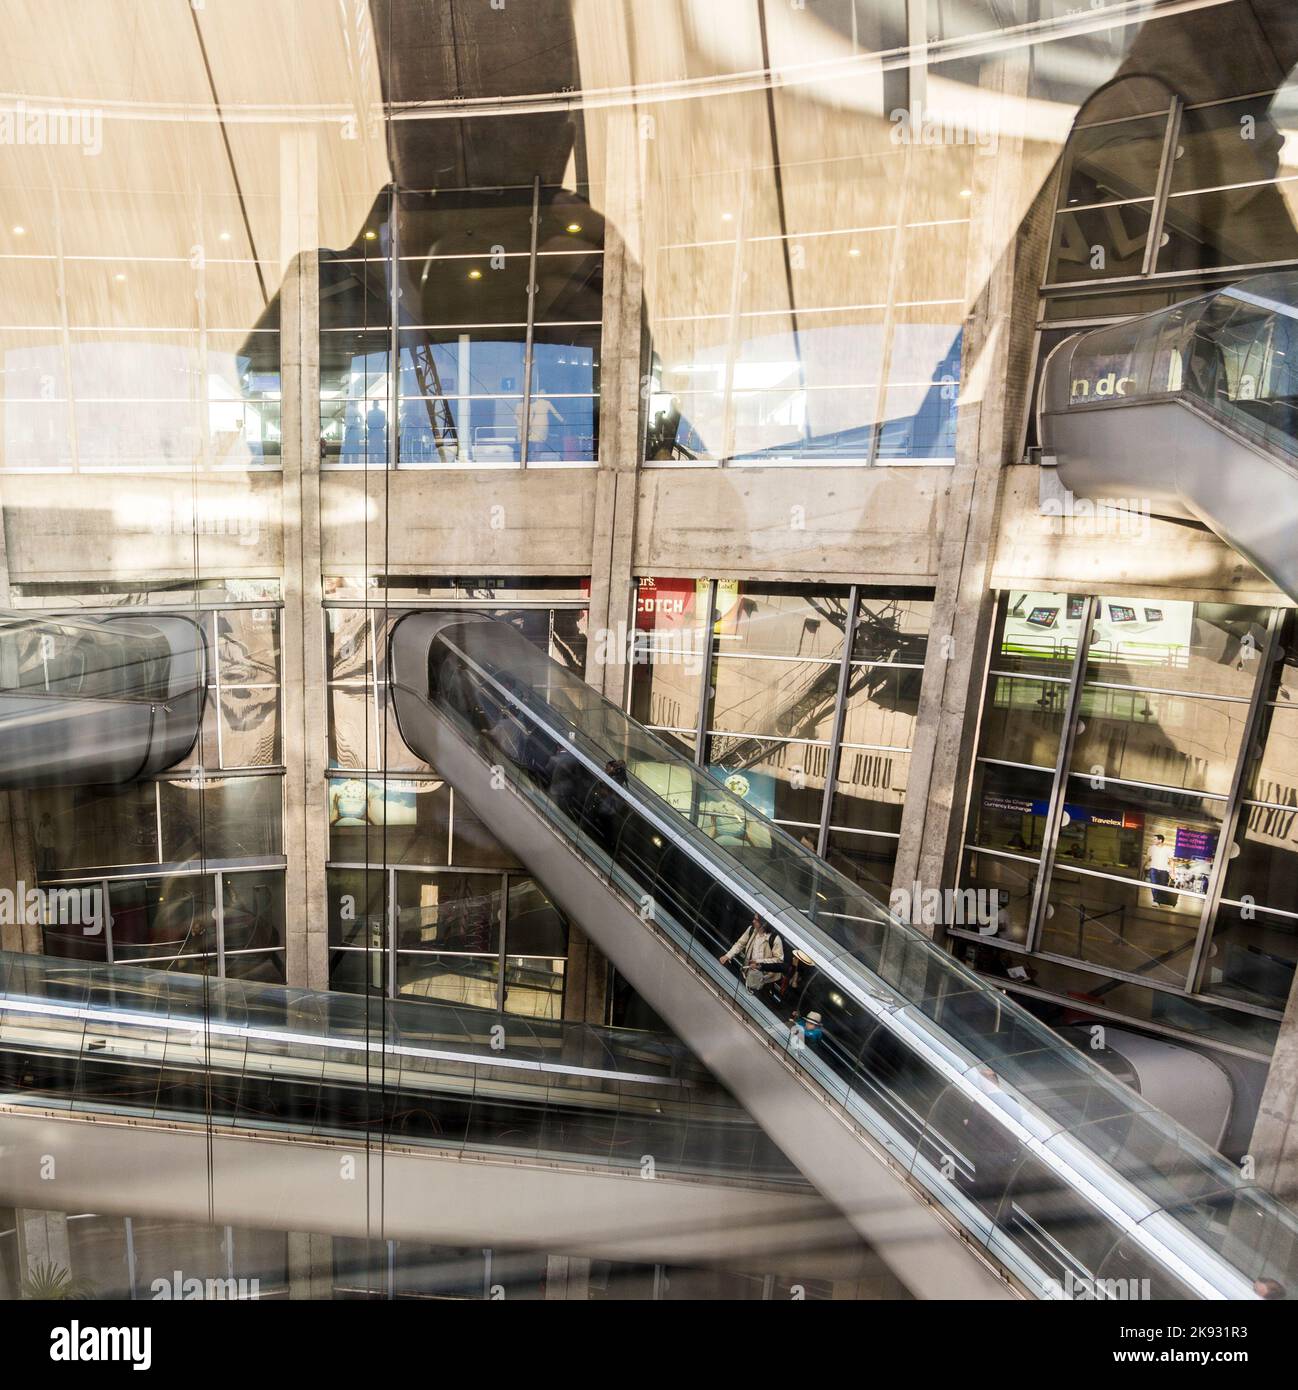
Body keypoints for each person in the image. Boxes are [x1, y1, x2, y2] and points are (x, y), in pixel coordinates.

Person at [720, 913, 785, 1006]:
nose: (753, 921)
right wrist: (728, 956)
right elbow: (740, 944)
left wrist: (759, 963)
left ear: (764, 923)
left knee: (757, 1003)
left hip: (765, 981)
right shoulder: (751, 930)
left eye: (756, 920)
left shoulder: (774, 939)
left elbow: (779, 960)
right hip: (748, 974)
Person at [1146, 833, 1178, 907]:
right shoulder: (1151, 848)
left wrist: (1172, 872)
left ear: (1160, 840)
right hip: (1153, 869)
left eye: (1155, 839)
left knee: (1162, 886)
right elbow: (1147, 859)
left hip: (1164, 870)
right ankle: (1156, 901)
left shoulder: (1168, 849)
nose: (1153, 840)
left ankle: (1158, 900)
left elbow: (1171, 861)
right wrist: (1142, 868)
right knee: (1154, 884)